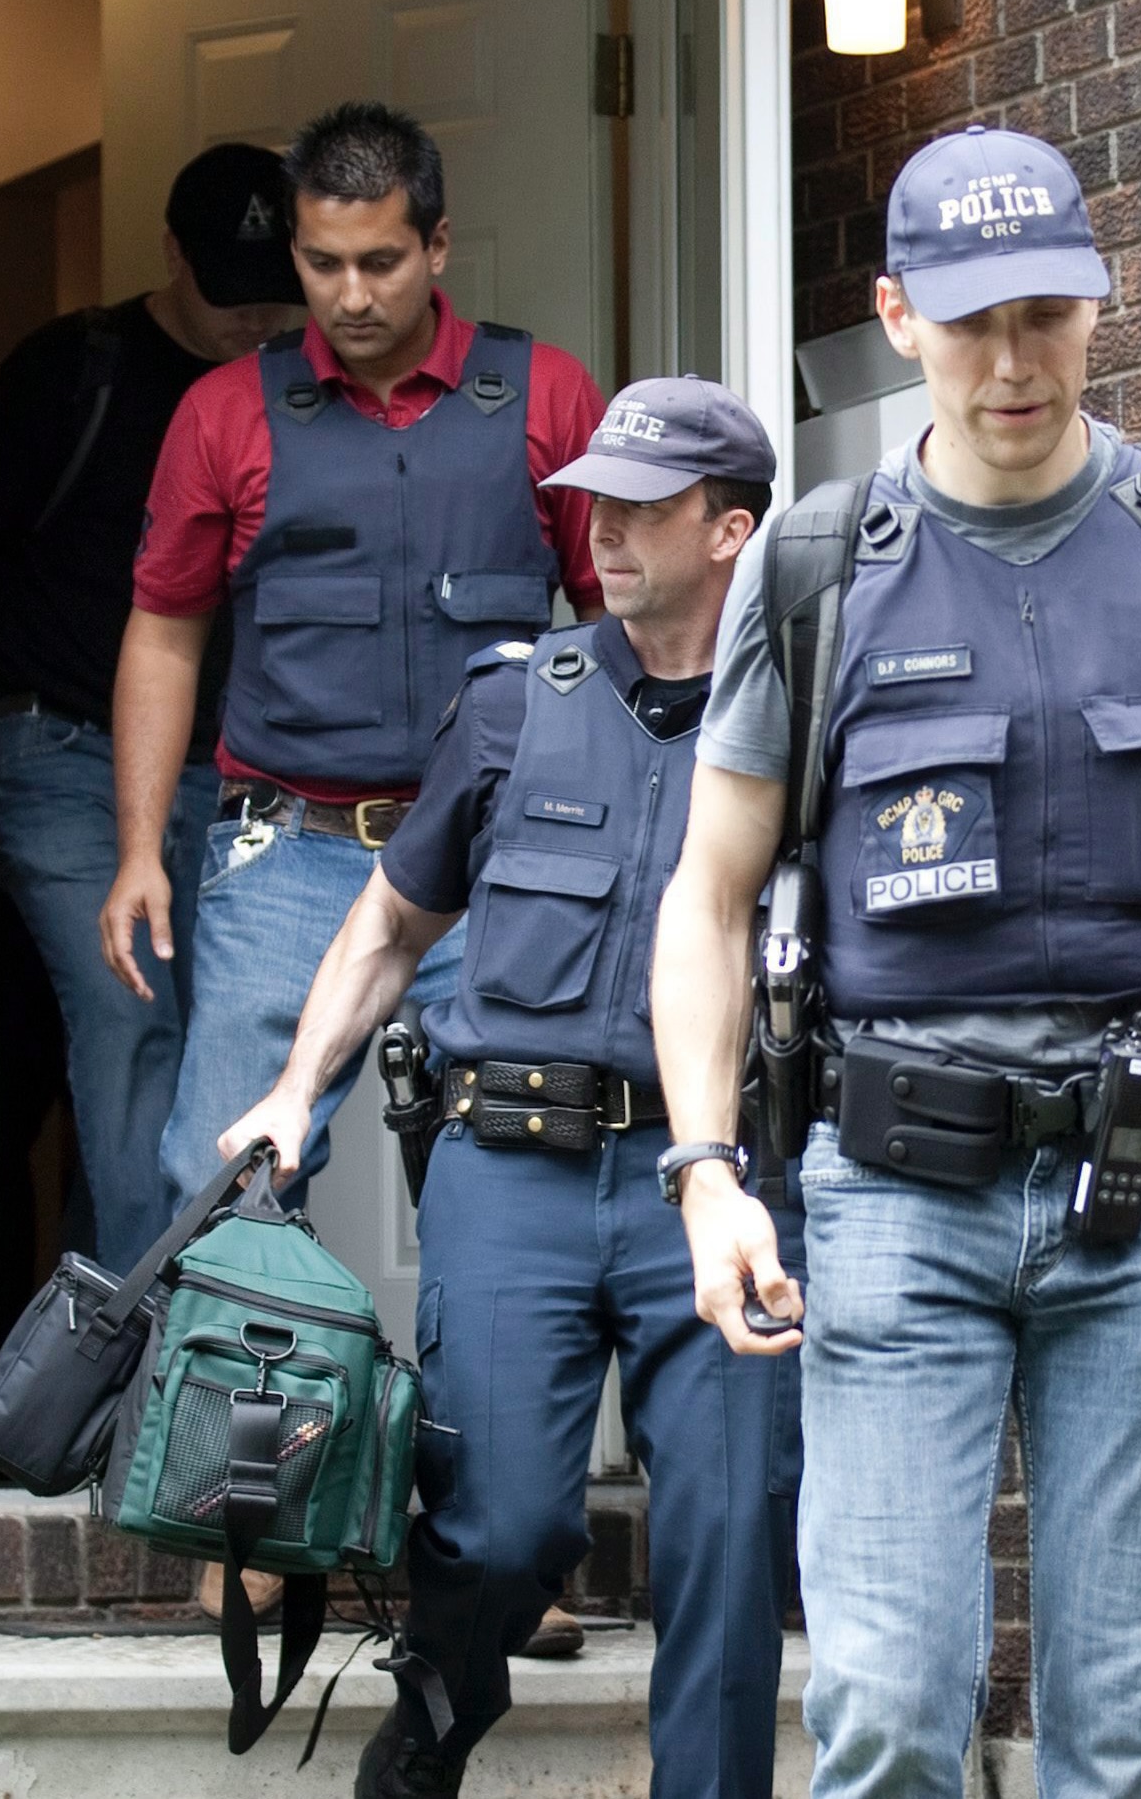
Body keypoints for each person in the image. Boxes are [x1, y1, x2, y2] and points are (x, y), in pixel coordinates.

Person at [648, 125, 1141, 1798]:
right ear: (897, 316)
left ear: (1095, 302)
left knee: (1130, 1738)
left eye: (1047, 315)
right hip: (892, 1203)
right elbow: (708, 894)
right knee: (890, 1710)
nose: (1014, 362)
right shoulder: (815, 568)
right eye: (973, 321)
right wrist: (707, 1172)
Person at [220, 377, 793, 1799]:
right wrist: (297, 1089)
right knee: (496, 1521)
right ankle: (432, 1729)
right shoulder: (515, 703)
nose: (603, 529)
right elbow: (389, 923)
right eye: (595, 501)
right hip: (511, 1169)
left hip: (714, 1182)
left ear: (730, 529)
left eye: (645, 507)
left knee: (729, 1540)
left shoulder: (803, 716)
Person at [105, 98, 605, 1217]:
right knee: (223, 1186)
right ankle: (250, 1347)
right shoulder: (223, 413)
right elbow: (165, 631)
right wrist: (140, 848)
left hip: (495, 856)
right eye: (322, 263)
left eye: (381, 261)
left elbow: (620, 623)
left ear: (437, 244)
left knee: (526, 1181)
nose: (352, 295)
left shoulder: (550, 396)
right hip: (287, 849)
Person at [0, 143, 304, 1270]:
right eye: (232, 295)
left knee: (234, 1045)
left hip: (234, 772)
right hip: (60, 748)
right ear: (172, 255)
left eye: (277, 294)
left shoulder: (299, 388)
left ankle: (117, 1329)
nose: (256, 320)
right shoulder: (74, 373)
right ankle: (144, 1334)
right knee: (130, 1025)